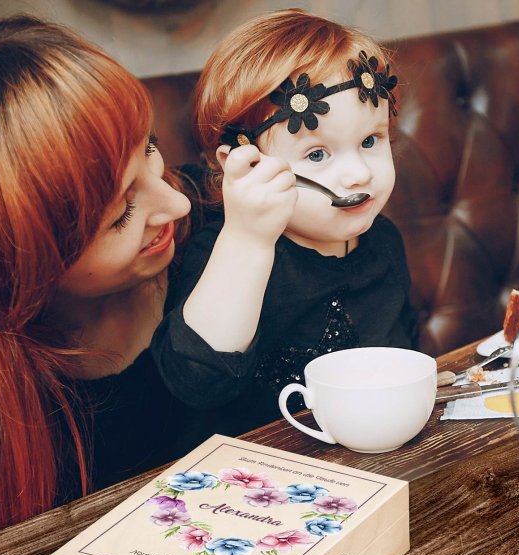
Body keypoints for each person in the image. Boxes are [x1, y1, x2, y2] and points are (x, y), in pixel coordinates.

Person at [0, 15, 194, 555]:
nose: (176, 204)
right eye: (121, 213)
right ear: (5, 260)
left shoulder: (221, 239)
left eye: (151, 148)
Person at [152, 8, 418, 435]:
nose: (358, 174)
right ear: (244, 166)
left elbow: (405, 351)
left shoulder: (383, 240)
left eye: (370, 140)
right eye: (317, 154)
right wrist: (247, 240)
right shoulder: (228, 252)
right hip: (261, 480)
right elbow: (197, 383)